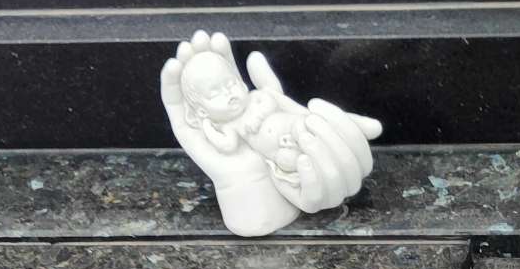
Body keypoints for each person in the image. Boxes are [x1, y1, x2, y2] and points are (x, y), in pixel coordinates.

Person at [160, 31, 382, 237]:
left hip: (295, 127)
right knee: (288, 162)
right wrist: (208, 127)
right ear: (201, 111)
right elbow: (227, 145)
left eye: (231, 83)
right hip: (280, 153)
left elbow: (273, 101)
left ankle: (357, 126)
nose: (229, 94)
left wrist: (260, 113)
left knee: (315, 124)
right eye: (215, 93)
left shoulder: (257, 98)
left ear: (241, 84)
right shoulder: (229, 128)